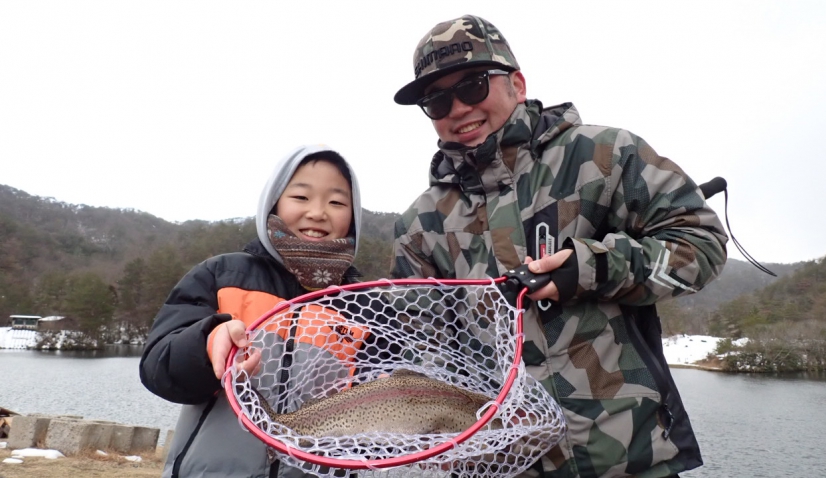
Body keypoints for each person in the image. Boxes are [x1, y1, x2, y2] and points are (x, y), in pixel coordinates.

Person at [390, 15, 728, 478]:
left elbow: (701, 244)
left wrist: (594, 268)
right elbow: (418, 349)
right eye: (437, 99)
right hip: (500, 467)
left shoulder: (605, 155)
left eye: (472, 85)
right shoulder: (418, 225)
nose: (458, 108)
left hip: (632, 461)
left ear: (517, 84)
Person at [140, 145, 363, 478]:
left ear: (354, 216)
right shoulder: (221, 275)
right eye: (301, 197)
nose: (318, 212)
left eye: (336, 202)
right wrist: (207, 346)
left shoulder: (364, 306)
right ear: (273, 203)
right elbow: (159, 369)